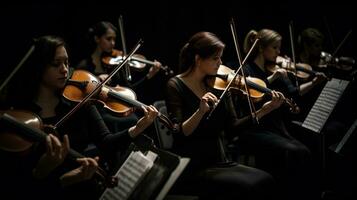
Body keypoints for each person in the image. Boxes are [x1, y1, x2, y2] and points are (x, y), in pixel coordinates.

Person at [3, 35, 158, 199]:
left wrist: (138, 128)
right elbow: (17, 186)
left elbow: (107, 142)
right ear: (39, 67)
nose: (64, 69)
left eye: (66, 62)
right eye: (56, 64)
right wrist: (43, 172)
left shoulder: (78, 103)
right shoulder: (18, 117)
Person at [165, 31, 275, 200]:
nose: (220, 63)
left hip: (219, 159)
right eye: (215, 58)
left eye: (220, 58)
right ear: (198, 59)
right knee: (248, 187)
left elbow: (232, 128)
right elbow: (180, 133)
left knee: (266, 180)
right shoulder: (175, 85)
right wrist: (200, 111)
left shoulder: (219, 84)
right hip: (193, 164)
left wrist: (263, 111)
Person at [233, 28, 319, 199]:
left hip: (275, 127)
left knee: (308, 148)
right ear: (260, 48)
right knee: (295, 152)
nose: (279, 53)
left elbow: (293, 93)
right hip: (255, 129)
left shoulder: (273, 69)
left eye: (279, 48)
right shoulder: (246, 70)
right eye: (275, 48)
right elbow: (249, 99)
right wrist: (271, 80)